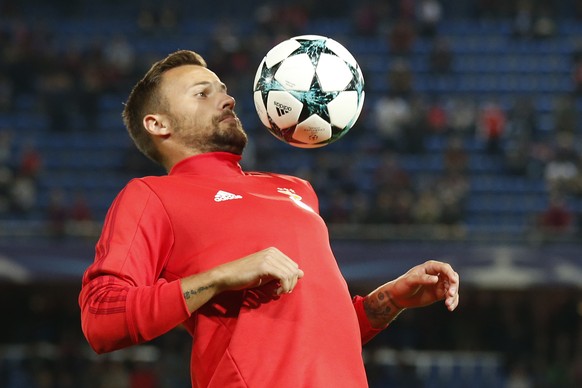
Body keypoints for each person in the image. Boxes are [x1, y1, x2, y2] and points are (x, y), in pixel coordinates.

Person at [78, 50, 460, 388]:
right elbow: (101, 319)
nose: (227, 99)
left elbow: (304, 338)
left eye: (222, 89)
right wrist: (220, 276)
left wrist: (390, 299)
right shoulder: (152, 196)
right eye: (202, 93)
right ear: (158, 124)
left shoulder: (296, 189)